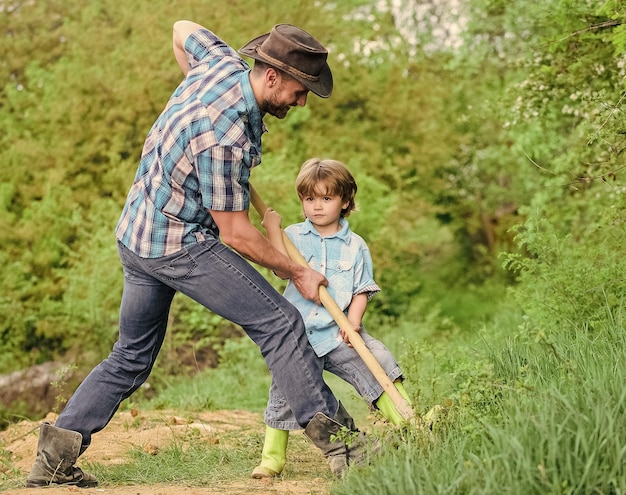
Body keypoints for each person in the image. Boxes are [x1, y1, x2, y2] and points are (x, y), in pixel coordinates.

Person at [26, 20, 372, 488]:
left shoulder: (218, 64)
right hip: (179, 246)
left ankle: (51, 464)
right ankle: (344, 447)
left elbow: (179, 27)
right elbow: (236, 234)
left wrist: (189, 101)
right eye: (300, 89)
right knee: (281, 322)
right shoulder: (224, 136)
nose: (302, 101)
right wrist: (298, 270)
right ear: (272, 76)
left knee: (130, 356)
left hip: (137, 233)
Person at [252, 158, 411, 479]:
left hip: (338, 331)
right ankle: (272, 458)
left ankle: (409, 422)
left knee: (376, 359)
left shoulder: (355, 246)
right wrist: (272, 229)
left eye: (326, 198)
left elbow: (362, 290)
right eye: (310, 199)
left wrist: (352, 323)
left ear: (346, 201)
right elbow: (280, 266)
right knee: (283, 392)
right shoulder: (293, 236)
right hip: (297, 336)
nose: (317, 207)